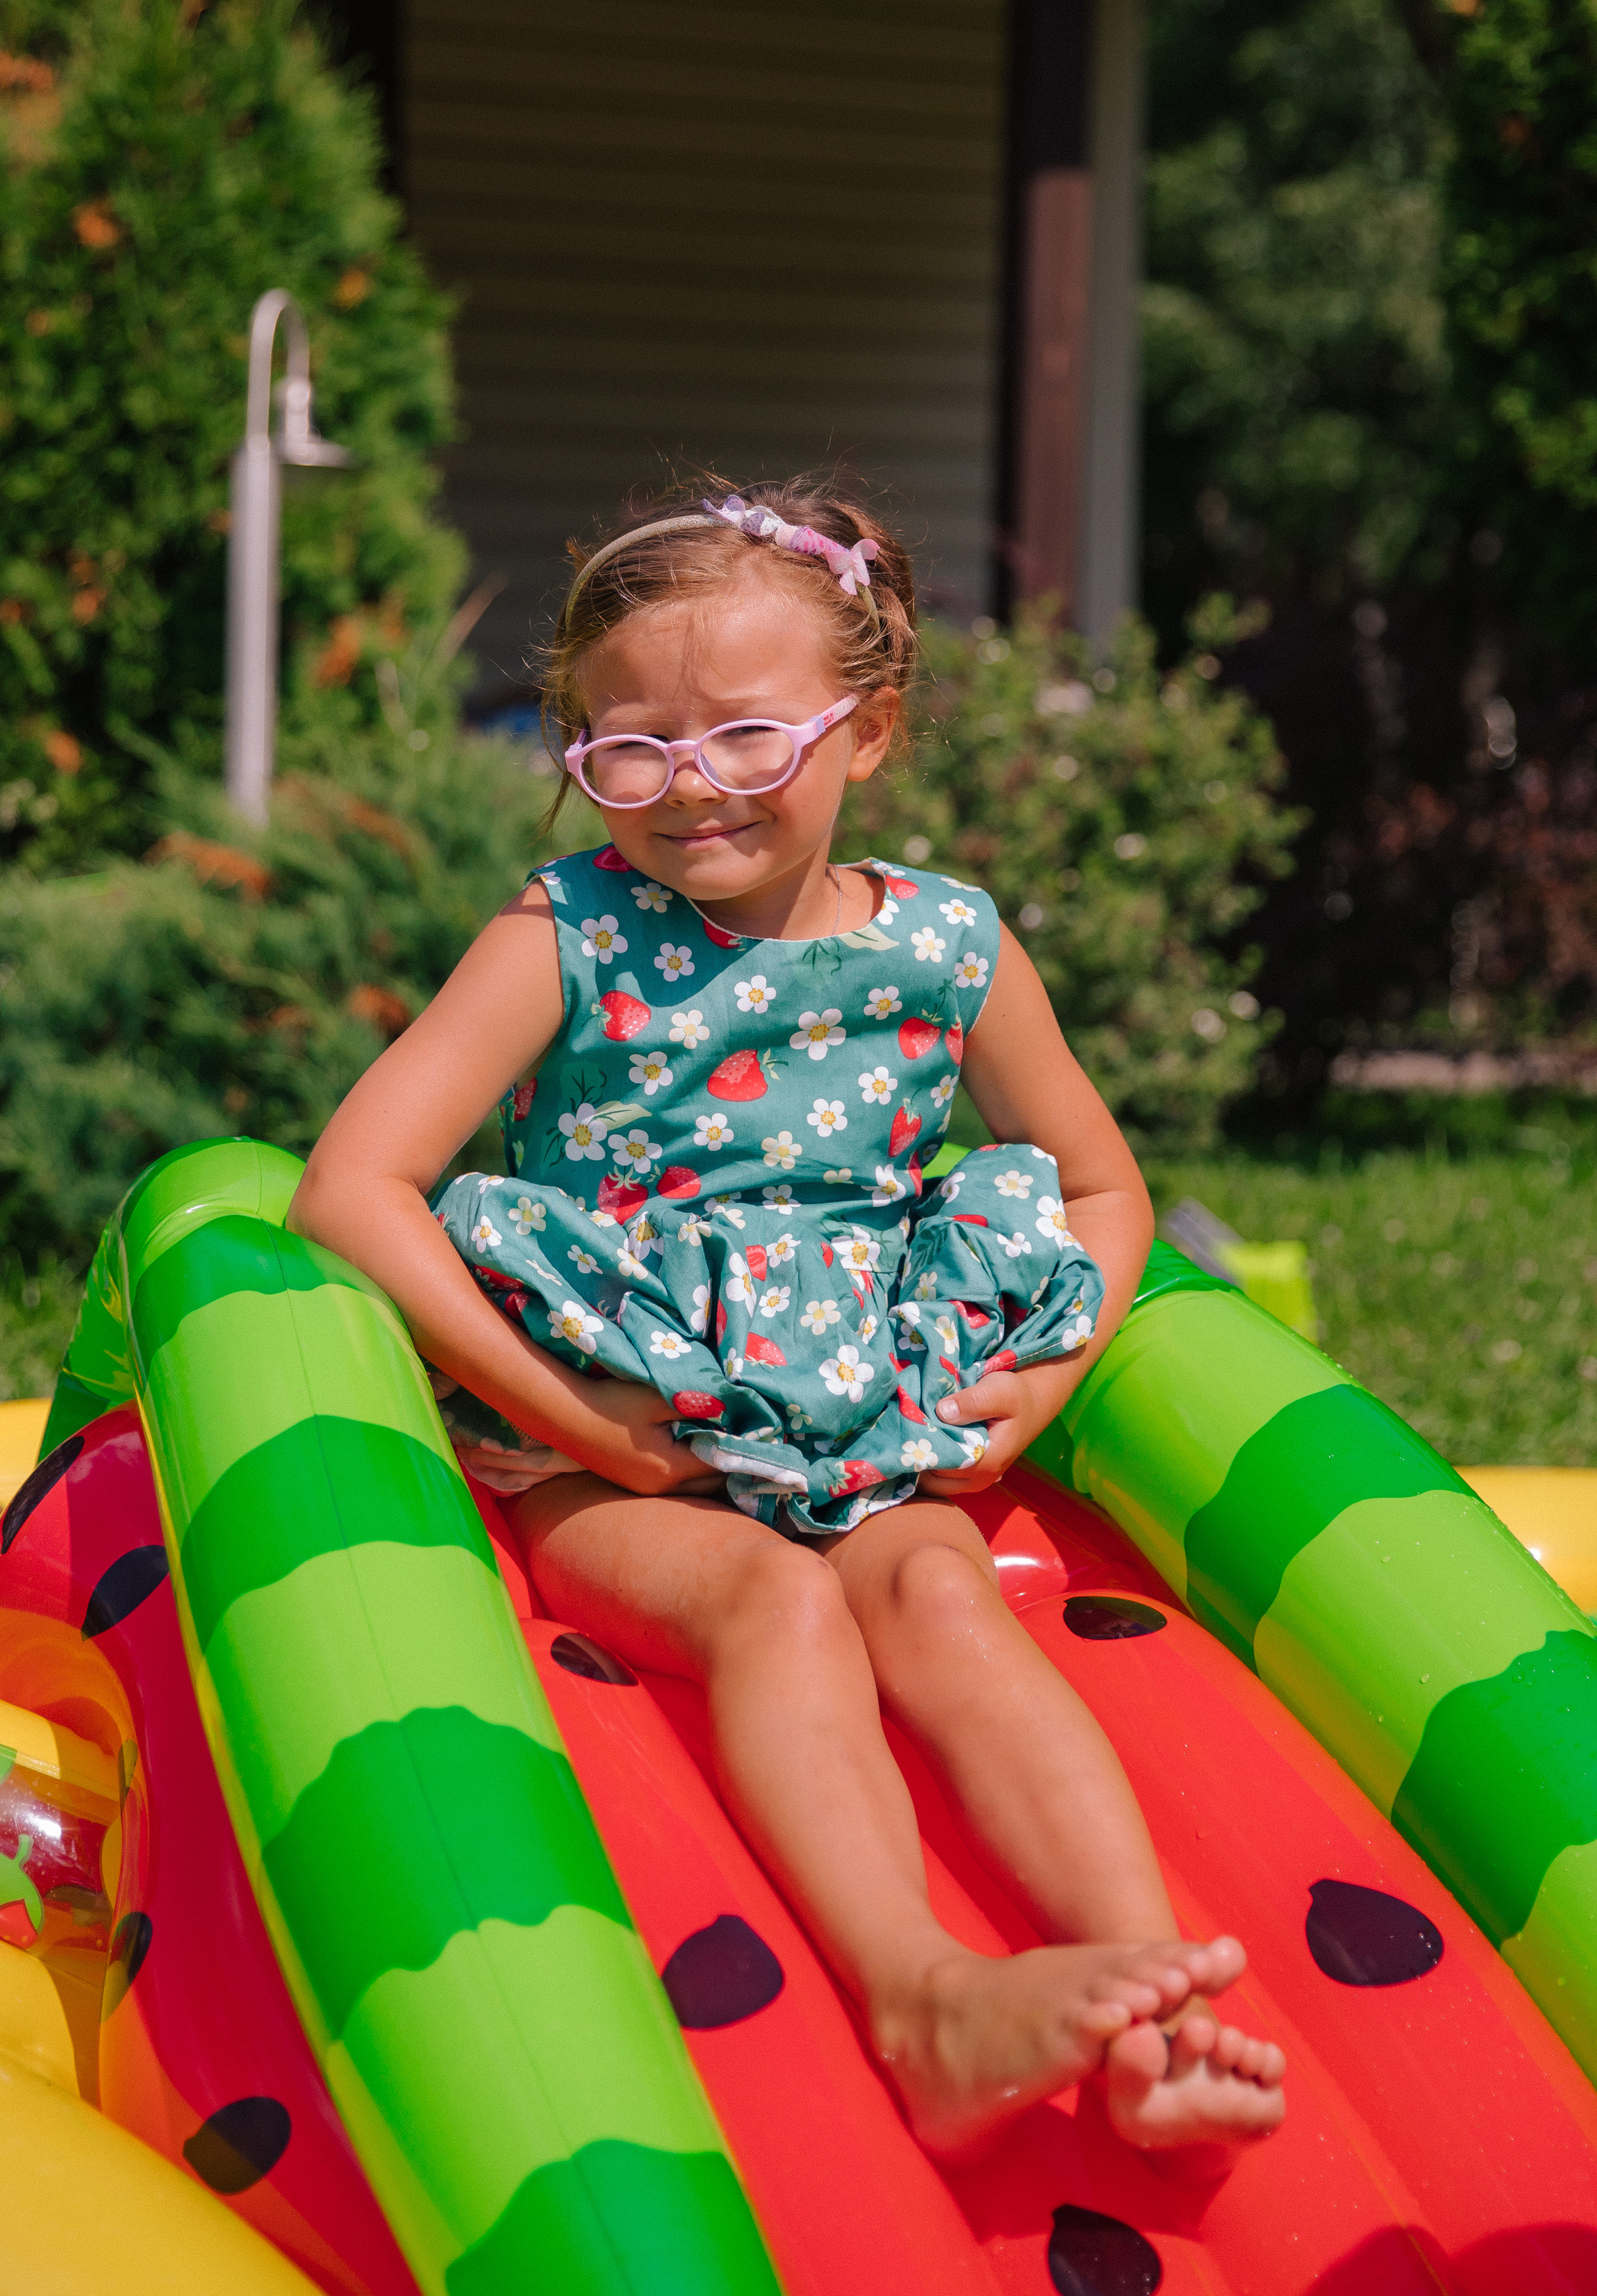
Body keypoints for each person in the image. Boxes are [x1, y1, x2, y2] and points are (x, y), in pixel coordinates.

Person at [289, 479, 1286, 2161]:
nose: (691, 790)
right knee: (777, 1606)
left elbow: (1104, 1194)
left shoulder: (948, 947)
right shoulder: (567, 932)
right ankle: (919, 1998)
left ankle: (1160, 2006)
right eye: (631, 750)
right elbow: (352, 1189)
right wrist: (573, 1417)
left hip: (870, 1437)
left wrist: (1036, 1392)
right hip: (624, 1456)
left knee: (945, 1605)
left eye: (749, 737)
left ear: (868, 731)